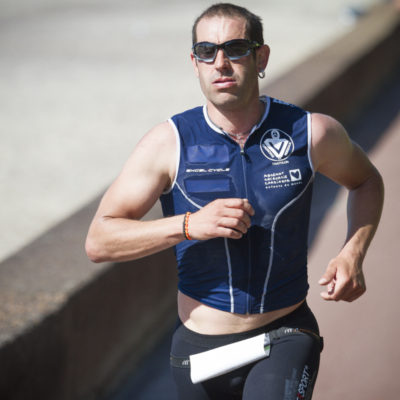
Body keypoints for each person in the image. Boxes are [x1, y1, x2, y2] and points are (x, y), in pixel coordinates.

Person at [85, 3, 384, 399]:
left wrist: (352, 252)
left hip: (285, 332)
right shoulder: (168, 143)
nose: (220, 62)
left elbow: (366, 180)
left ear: (261, 56)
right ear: (195, 63)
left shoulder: (310, 131)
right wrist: (190, 225)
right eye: (207, 51)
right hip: (199, 349)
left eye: (236, 48)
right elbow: (99, 241)